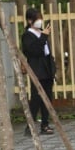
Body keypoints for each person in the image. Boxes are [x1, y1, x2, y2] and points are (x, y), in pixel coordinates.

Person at [22, 8, 56, 136]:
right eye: (37, 19)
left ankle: (45, 124)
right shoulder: (27, 36)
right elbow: (33, 51)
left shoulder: (41, 33)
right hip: (37, 69)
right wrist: (44, 36)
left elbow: (47, 52)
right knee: (36, 98)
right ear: (30, 21)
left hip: (46, 68)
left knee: (47, 97)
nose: (40, 22)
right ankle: (30, 126)